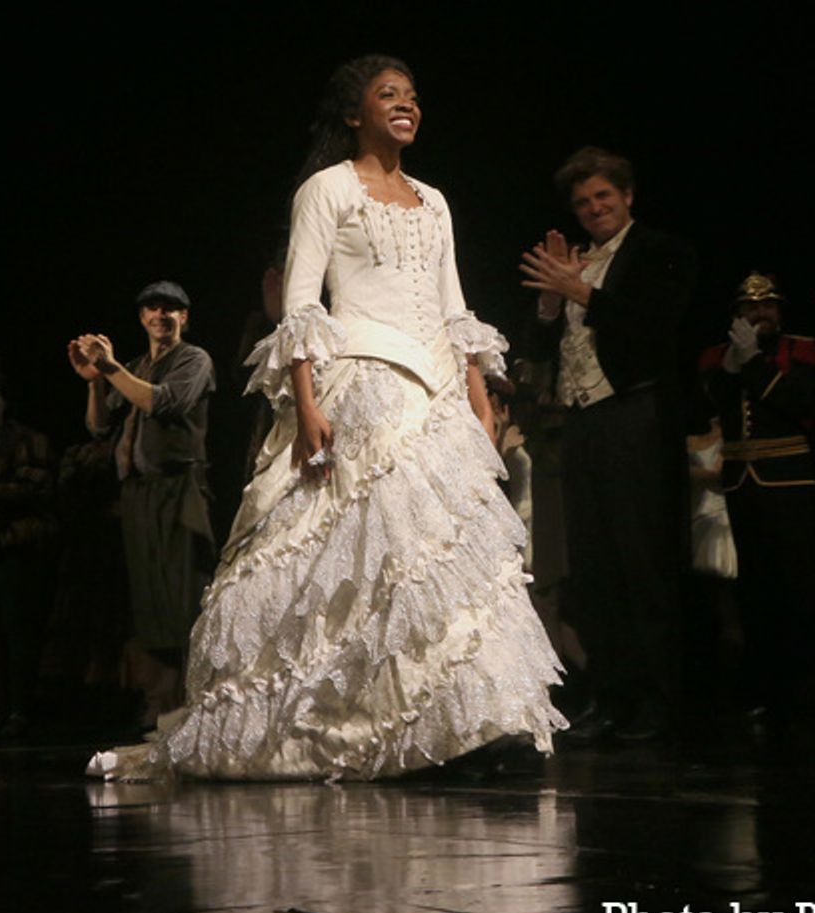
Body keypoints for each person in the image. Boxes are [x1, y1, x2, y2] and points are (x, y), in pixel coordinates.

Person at [86, 54, 564, 780]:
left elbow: (454, 308)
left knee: (440, 558)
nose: (406, 104)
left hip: (432, 391)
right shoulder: (327, 189)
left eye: (412, 95)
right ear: (354, 114)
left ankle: (461, 719)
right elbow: (304, 304)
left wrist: (475, 401)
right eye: (388, 94)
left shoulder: (433, 201)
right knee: (365, 555)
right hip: (363, 379)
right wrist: (306, 405)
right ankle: (360, 720)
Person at [520, 146, 696, 743]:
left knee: (642, 561)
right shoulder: (577, 263)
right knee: (593, 567)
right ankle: (611, 697)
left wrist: (582, 292)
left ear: (628, 197)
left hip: (636, 413)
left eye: (604, 197)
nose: (594, 208)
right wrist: (550, 301)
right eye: (583, 202)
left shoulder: (661, 253)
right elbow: (544, 349)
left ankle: (660, 703)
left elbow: (657, 327)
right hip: (583, 422)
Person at [68, 281, 216, 726]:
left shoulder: (194, 359)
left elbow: (163, 403)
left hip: (177, 490)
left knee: (183, 597)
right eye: (153, 309)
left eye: (171, 309)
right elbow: (99, 426)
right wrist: (95, 382)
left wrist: (110, 368)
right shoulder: (134, 366)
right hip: (138, 493)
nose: (161, 315)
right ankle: (161, 705)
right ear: (142, 318)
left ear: (184, 318)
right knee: (150, 603)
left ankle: (192, 708)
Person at [700, 273, 815, 720]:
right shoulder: (717, 357)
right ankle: (763, 689)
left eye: (769, 305)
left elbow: (801, 403)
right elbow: (719, 406)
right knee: (755, 590)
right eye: (751, 307)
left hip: (788, 478)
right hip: (741, 482)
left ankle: (802, 692)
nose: (761, 313)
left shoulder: (801, 349)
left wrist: (754, 362)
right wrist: (736, 365)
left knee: (797, 588)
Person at [0, 354, 56, 739]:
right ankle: (0, 708)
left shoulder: (27, 439)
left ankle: (20, 708)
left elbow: (37, 487)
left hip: (17, 542)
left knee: (16, 627)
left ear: (5, 402)